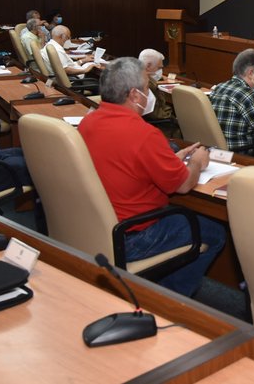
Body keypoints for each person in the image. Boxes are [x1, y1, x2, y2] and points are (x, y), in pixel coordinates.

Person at [78, 57, 225, 296]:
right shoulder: (144, 134)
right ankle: (169, 298)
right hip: (133, 234)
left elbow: (127, 165)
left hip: (97, 225)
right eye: (147, 87)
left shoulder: (88, 122)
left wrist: (172, 161)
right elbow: (185, 185)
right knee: (216, 233)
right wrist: (196, 163)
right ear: (135, 96)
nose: (150, 93)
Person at [138, 48, 173, 121]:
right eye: (159, 68)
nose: (160, 71)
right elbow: (156, 115)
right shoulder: (146, 84)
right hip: (160, 125)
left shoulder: (132, 76)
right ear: (148, 66)